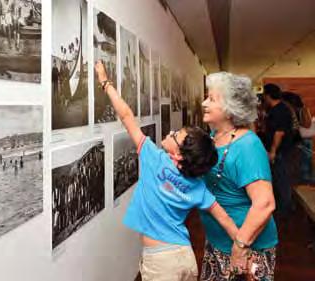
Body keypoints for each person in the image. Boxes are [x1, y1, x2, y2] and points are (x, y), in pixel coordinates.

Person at [95, 60, 239, 281]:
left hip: (160, 262)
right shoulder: (198, 186)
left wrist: (105, 82)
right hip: (185, 256)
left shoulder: (153, 157)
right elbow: (225, 219)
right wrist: (242, 246)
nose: (171, 131)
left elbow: (125, 116)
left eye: (175, 135)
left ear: (179, 154)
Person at [200, 73, 278, 281]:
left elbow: (265, 203)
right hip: (218, 241)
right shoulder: (213, 137)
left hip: (247, 247)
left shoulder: (248, 146)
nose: (203, 102)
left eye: (212, 99)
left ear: (230, 109)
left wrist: (240, 246)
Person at [263, 83, 294, 218]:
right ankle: (283, 207)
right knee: (279, 178)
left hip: (281, 151)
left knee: (282, 179)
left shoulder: (280, 110)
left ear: (268, 95)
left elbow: (279, 133)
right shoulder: (277, 109)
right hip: (279, 150)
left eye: (264, 95)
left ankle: (285, 210)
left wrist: (273, 151)